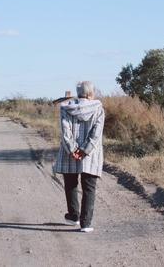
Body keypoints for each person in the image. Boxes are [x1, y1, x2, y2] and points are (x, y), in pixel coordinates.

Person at [53, 81, 105, 233]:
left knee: (71, 184)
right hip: (91, 154)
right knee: (89, 187)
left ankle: (74, 216)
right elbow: (96, 134)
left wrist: (73, 150)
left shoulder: (66, 108)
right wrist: (84, 150)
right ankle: (86, 223)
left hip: (70, 153)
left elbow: (65, 131)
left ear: (79, 92)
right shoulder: (98, 108)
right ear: (90, 93)